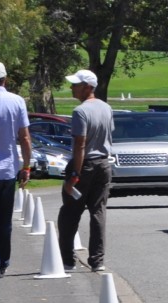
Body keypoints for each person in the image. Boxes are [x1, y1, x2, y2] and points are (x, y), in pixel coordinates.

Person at [57, 69, 113, 272]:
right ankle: (97, 260)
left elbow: (80, 144)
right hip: (104, 164)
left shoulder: (80, 112)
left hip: (85, 164)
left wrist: (74, 174)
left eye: (76, 85)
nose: (72, 88)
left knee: (69, 213)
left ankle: (67, 260)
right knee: (98, 211)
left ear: (88, 87)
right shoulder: (106, 108)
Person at [0, 61, 31, 282]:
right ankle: (3, 262)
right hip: (8, 169)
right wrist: (26, 166)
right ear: (5, 78)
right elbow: (24, 137)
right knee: (4, 219)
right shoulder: (16, 101)